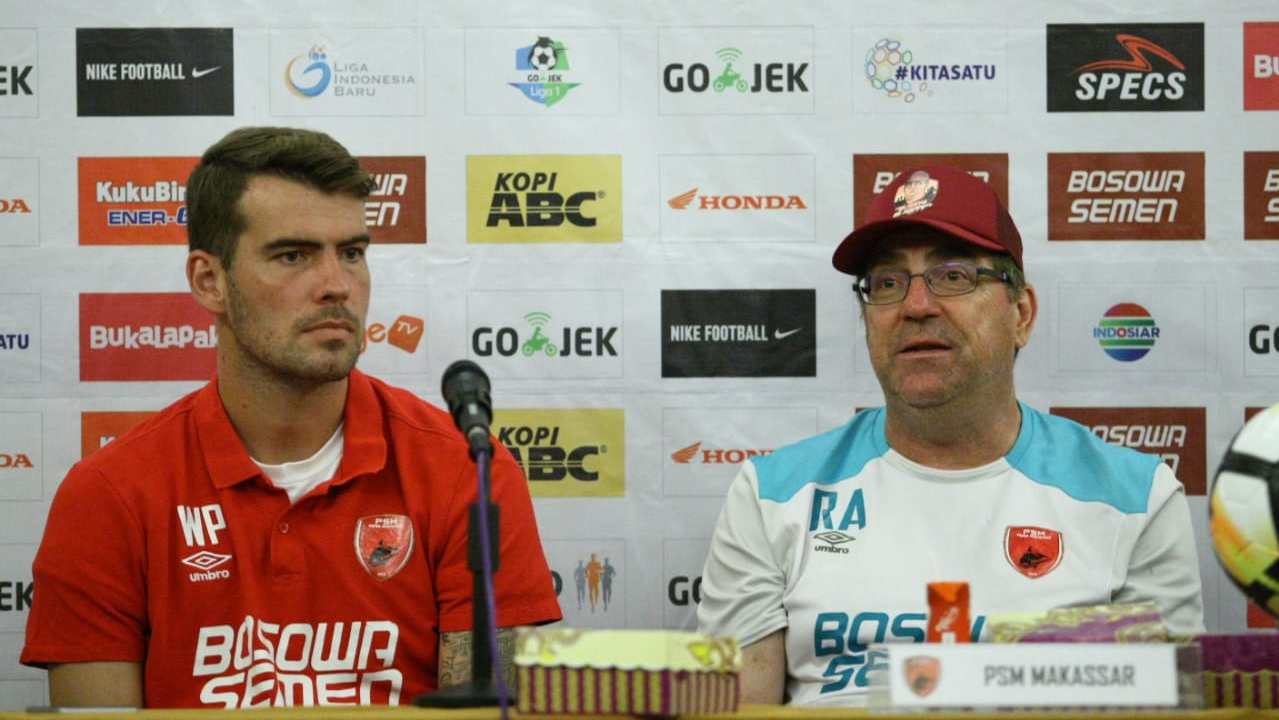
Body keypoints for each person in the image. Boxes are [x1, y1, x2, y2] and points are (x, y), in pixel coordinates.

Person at [20, 126, 562, 708]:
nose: (337, 286)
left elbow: (492, 712)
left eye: (351, 253)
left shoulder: (466, 469)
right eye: (293, 256)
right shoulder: (109, 494)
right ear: (209, 281)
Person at [695, 165, 1205, 707]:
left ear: (1022, 314)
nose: (916, 306)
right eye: (887, 283)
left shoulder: (1135, 497)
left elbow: (1163, 711)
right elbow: (737, 714)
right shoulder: (771, 494)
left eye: (954, 276)